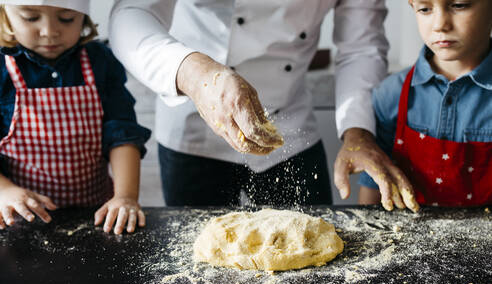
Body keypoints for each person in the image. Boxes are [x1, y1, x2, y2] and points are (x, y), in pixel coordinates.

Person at [109, 0, 418, 210]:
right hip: (195, 125)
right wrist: (195, 74)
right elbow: (131, 14)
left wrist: (358, 132)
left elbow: (361, 47)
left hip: (291, 127)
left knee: (312, 263)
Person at [0, 0, 151, 234]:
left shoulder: (100, 61)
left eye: (67, 18)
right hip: (21, 216)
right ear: (5, 14)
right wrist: (4, 190)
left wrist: (126, 196)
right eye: (30, 17)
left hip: (97, 214)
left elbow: (122, 133)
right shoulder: (3, 68)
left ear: (84, 16)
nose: (49, 31)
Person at [359, 0, 492, 208]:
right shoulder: (391, 95)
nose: (440, 24)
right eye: (425, 9)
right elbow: (373, 188)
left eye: (459, 5)